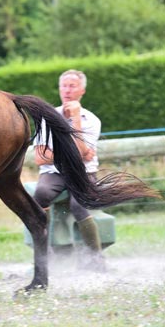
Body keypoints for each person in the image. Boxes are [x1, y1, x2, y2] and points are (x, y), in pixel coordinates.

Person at [33, 69, 106, 271]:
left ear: (82, 90)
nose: (67, 90)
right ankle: (43, 258)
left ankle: (96, 260)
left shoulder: (91, 120)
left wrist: (75, 117)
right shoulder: (47, 118)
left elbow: (83, 154)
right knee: (40, 194)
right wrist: (75, 154)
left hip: (84, 173)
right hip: (53, 172)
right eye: (64, 85)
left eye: (72, 86)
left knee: (79, 204)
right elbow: (40, 158)